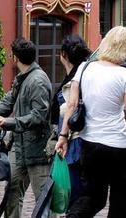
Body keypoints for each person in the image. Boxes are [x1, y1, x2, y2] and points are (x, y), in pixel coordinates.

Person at [55, 26, 126, 217]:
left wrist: (63, 136)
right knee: (121, 201)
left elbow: (72, 105)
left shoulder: (84, 68)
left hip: (90, 144)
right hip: (119, 146)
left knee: (92, 198)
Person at [0, 38, 52, 218]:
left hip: (37, 150)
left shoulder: (38, 81)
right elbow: (7, 102)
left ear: (15, 58)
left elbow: (39, 116)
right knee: (12, 192)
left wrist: (9, 123)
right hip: (19, 148)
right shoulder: (22, 78)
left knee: (43, 199)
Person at [54, 34, 91, 209]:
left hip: (74, 140)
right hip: (81, 140)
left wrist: (62, 136)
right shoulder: (85, 73)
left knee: (75, 193)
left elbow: (70, 108)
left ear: (64, 55)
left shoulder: (75, 81)